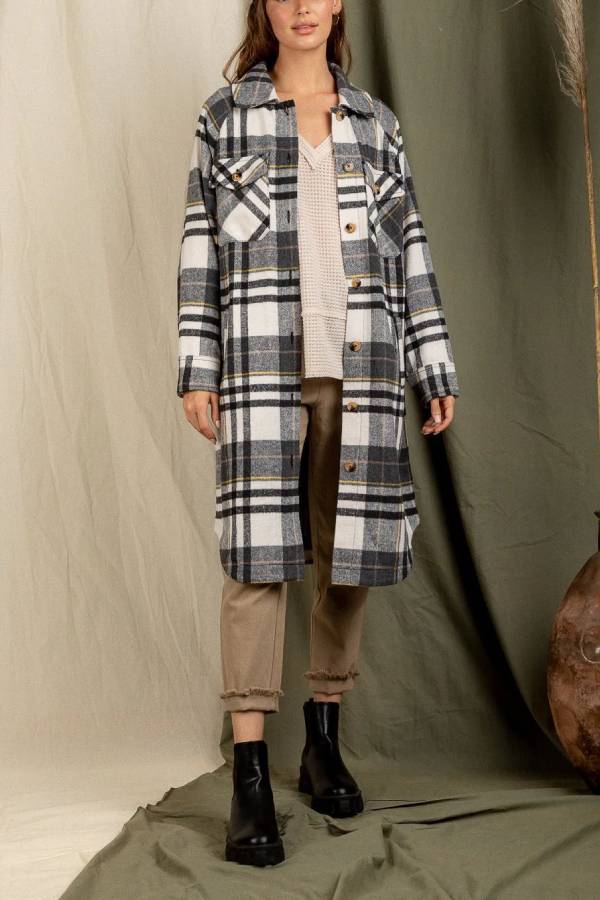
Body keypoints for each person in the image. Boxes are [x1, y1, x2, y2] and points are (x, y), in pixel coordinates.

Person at [176, 0, 460, 868]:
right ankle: (250, 775)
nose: (303, 5)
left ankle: (323, 738)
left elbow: (411, 248)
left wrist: (433, 362)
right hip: (260, 368)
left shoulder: (377, 124)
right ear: (265, 4)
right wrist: (197, 365)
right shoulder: (225, 118)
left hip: (362, 370)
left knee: (348, 556)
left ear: (337, 4)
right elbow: (199, 247)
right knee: (256, 560)